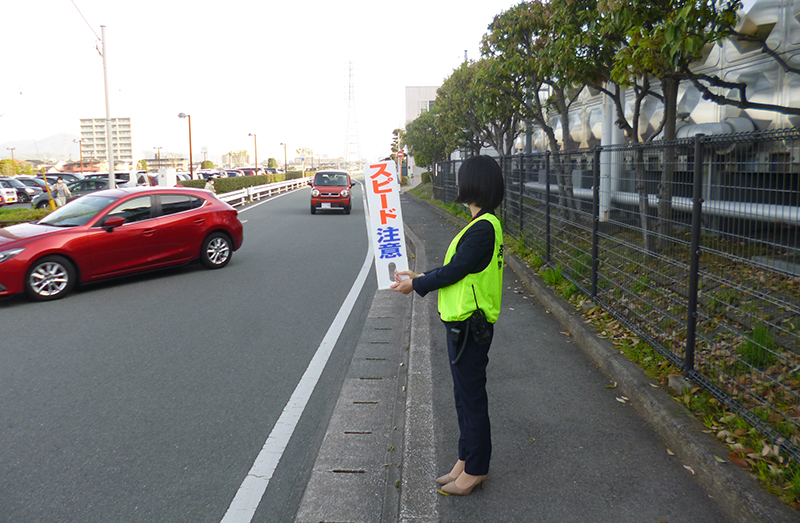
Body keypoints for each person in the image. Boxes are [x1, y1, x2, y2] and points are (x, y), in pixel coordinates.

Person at [391, 155, 505, 496]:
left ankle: (477, 468)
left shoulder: (483, 227)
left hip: (472, 325)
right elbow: (458, 269)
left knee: (471, 398)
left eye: (462, 179)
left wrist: (418, 284)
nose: (457, 184)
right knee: (462, 396)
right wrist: (422, 276)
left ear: (474, 186)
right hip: (463, 323)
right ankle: (465, 460)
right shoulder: (482, 223)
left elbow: (456, 271)